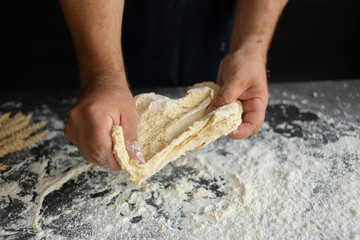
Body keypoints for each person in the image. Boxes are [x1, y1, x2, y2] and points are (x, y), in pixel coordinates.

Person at [60, 0, 288, 170]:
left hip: (216, 24)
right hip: (102, 19)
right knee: (100, 121)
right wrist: (102, 76)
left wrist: (251, 47)